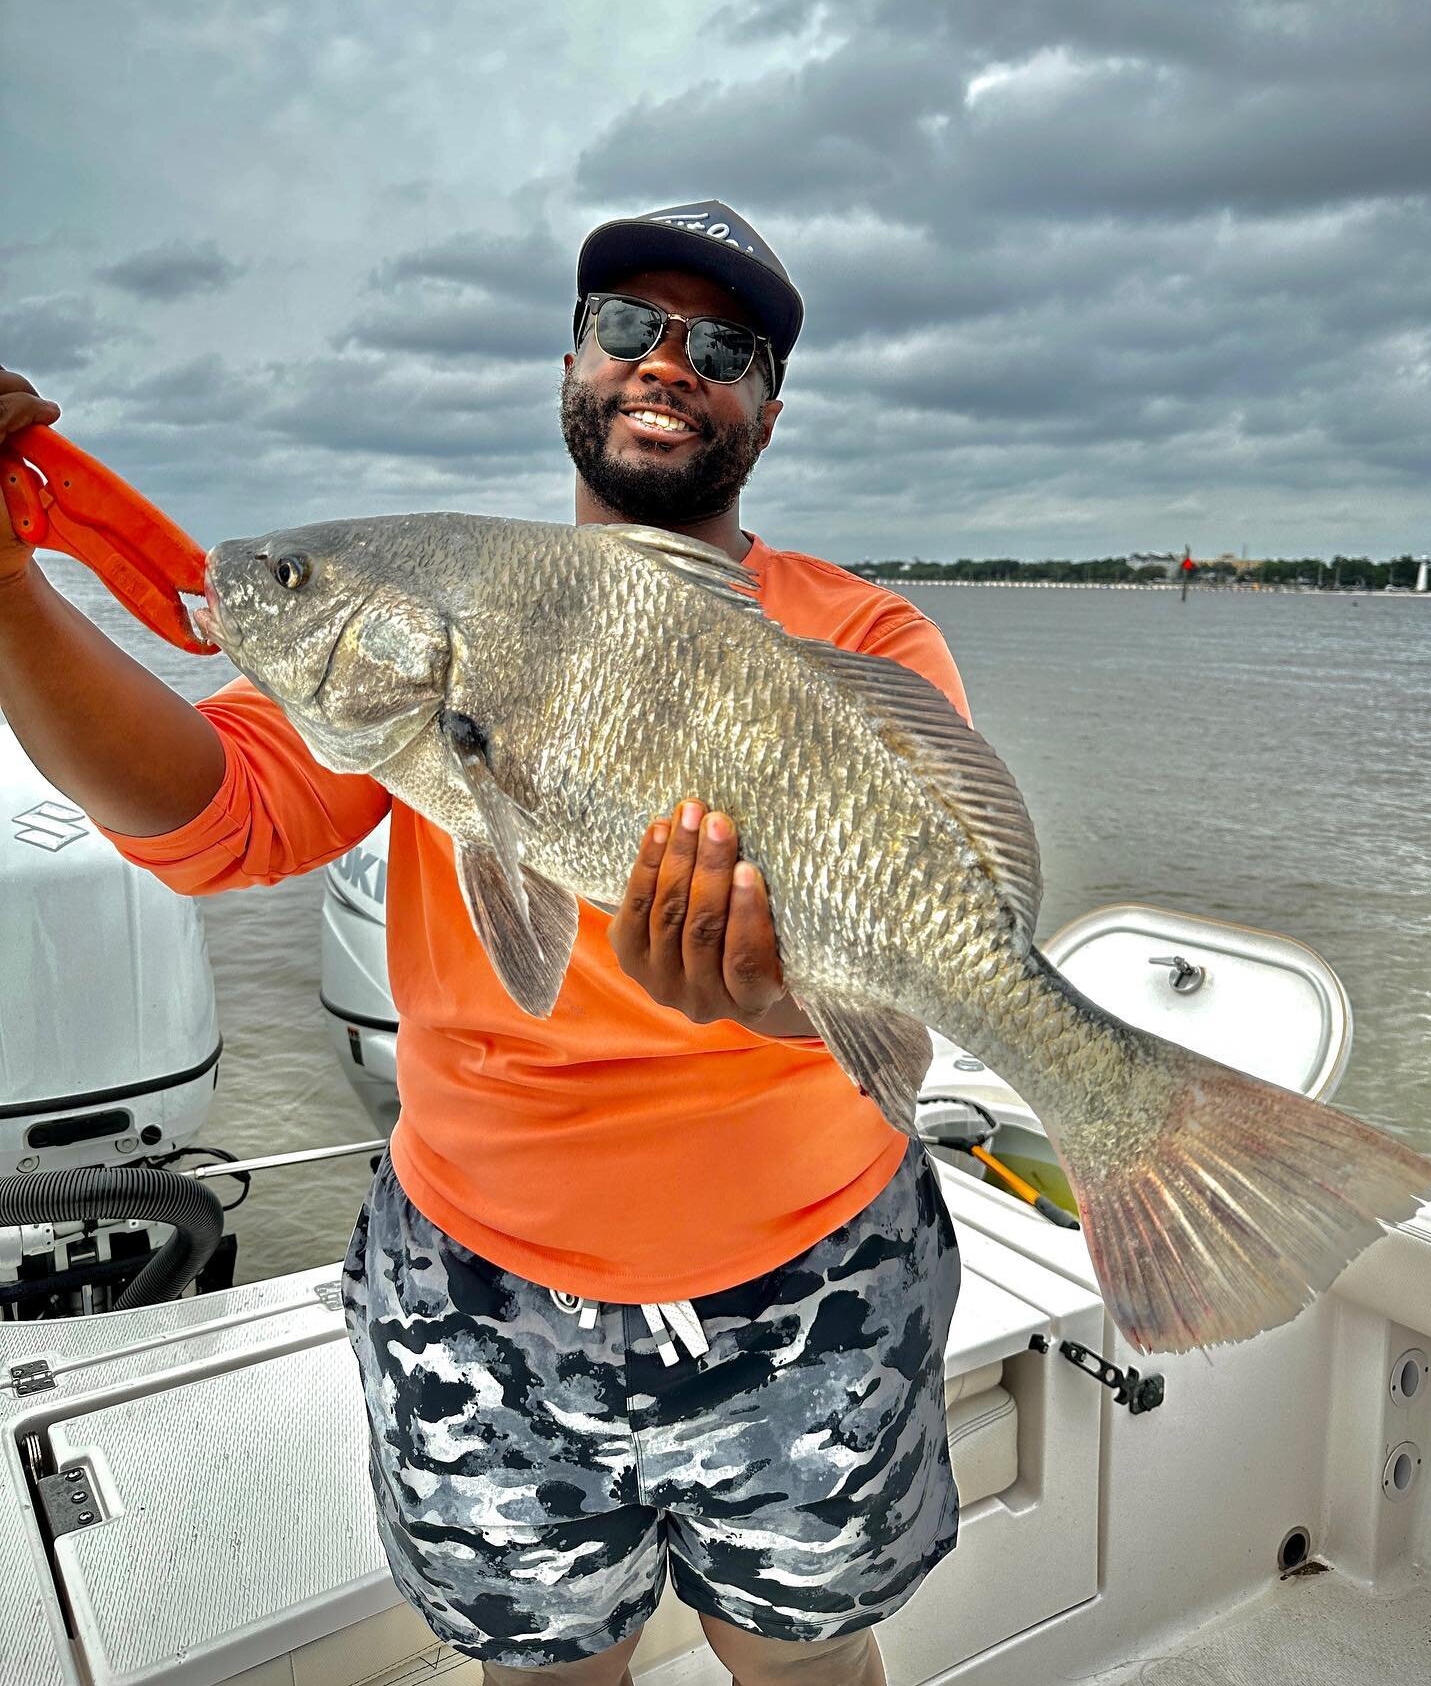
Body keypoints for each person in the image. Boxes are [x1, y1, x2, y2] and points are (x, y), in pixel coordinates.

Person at [0, 202, 969, 1686]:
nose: (666, 364)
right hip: (479, 1303)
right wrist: (7, 583)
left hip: (820, 1279)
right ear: (572, 365)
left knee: (808, 1666)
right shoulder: (443, 614)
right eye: (627, 328)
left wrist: (768, 997)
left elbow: (910, 976)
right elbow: (213, 816)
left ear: (767, 412)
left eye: (722, 347)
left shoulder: (867, 641)